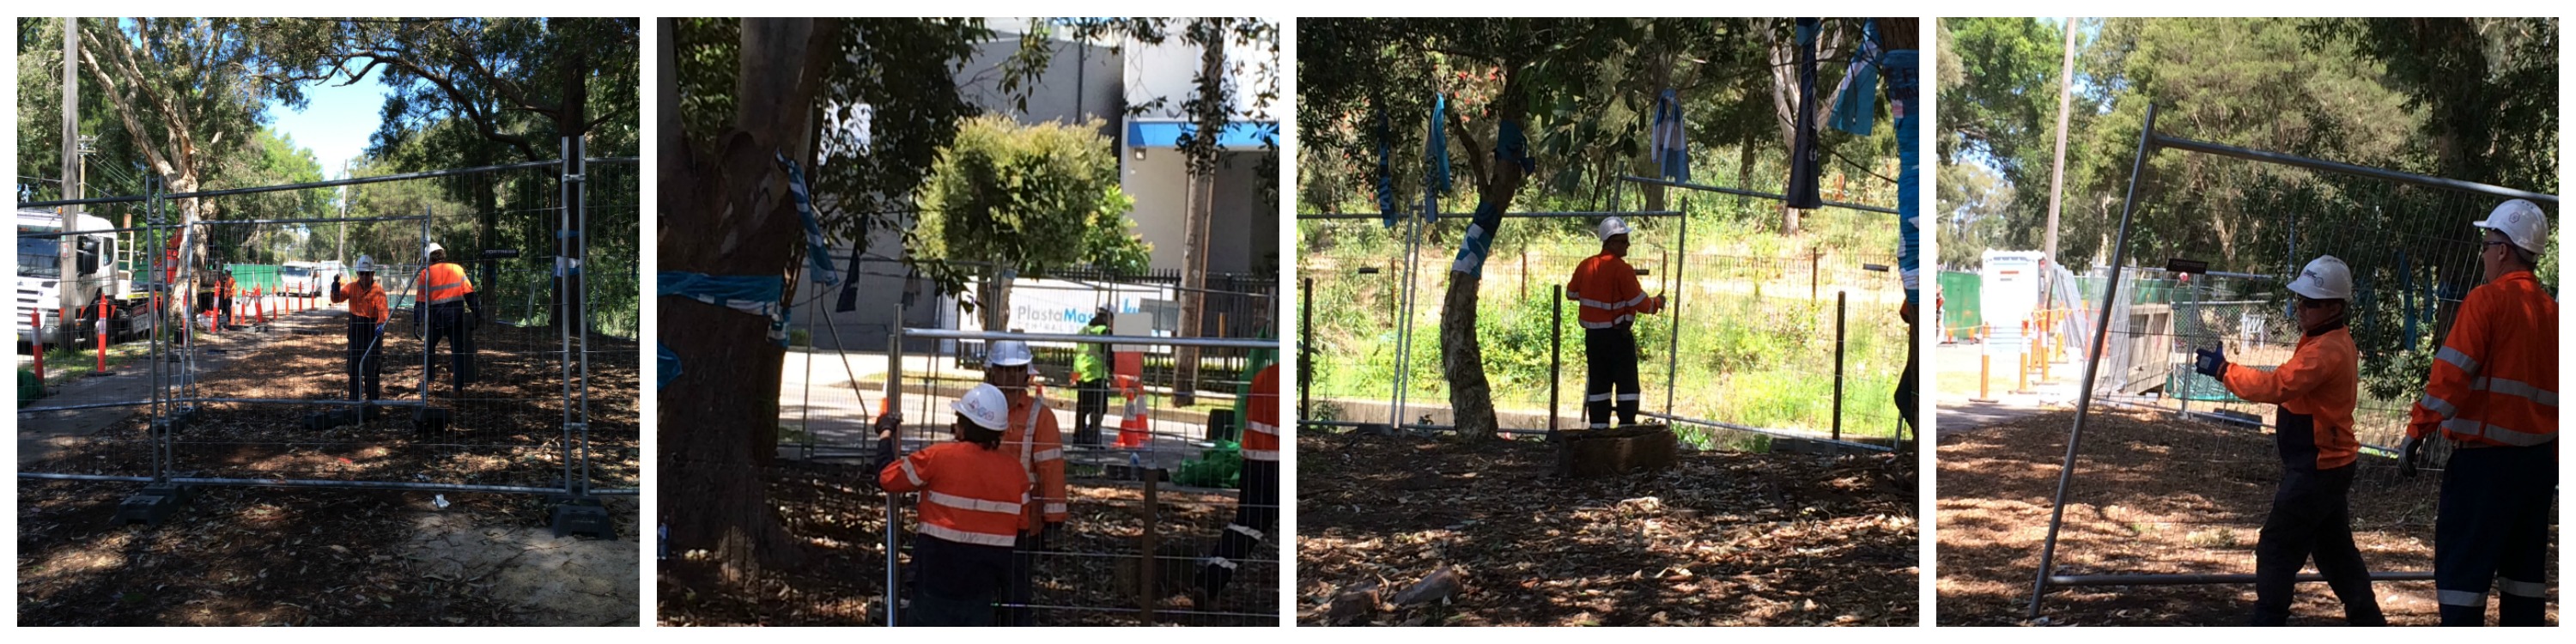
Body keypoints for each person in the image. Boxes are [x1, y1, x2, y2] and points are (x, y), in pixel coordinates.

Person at [2194, 255, 2385, 627]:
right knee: (2335, 554)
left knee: (2277, 548)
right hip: (2328, 464)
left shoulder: (2326, 349)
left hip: (2318, 467)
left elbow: (2277, 386)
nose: (2301, 307)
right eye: (2300, 299)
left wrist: (2223, 370)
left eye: (2310, 302)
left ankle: (2268, 623)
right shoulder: (2327, 338)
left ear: (2335, 307)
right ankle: (2370, 623)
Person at [2402, 198, 2556, 626]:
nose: (2484, 254)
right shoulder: (2555, 314)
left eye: (2486, 246)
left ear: (2503, 250)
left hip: (2484, 467)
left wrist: (2416, 432)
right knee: (2524, 581)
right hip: (2539, 467)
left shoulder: (2486, 302)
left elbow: (2449, 378)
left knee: (2463, 580)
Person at [874, 383, 1031, 627]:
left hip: (937, 575)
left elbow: (886, 477)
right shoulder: (1016, 473)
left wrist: (885, 433)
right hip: (983, 585)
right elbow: (1022, 527)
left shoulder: (938, 458)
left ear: (963, 425)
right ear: (999, 432)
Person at [983, 340, 1066, 625]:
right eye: (1003, 370)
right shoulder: (978, 406)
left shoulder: (1040, 416)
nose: (1009, 377)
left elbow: (1051, 468)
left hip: (1022, 522)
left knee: (1015, 592)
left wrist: (1053, 521)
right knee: (978, 591)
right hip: (979, 517)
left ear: (1026, 374)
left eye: (1016, 370)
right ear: (991, 372)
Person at [1565, 216, 1665, 428]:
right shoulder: (1622, 269)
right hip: (1617, 335)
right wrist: (1658, 303)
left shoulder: (1586, 265)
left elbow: (1571, 293)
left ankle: (1599, 429)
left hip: (1593, 337)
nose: (1628, 244)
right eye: (1623, 240)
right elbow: (1642, 304)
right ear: (1610, 242)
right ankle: (1627, 427)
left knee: (1599, 381)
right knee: (1626, 381)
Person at [1195, 363, 1279, 608]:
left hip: (1254, 461)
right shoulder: (1281, 379)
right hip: (1277, 463)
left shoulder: (1263, 376)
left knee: (1246, 525)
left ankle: (1210, 580)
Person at [416, 242, 483, 392]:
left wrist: (416, 321)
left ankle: (430, 384)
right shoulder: (457, 269)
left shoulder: (425, 274)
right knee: (457, 352)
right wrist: (477, 314)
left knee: (428, 349)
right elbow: (470, 294)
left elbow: (420, 301)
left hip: (435, 319)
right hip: (456, 318)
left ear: (428, 258)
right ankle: (458, 389)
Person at [330, 256, 389, 410]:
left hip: (372, 334)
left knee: (372, 370)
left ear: (373, 274)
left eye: (367, 273)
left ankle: (372, 405)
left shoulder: (379, 292)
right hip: (355, 333)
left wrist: (381, 324)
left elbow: (383, 312)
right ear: (357, 273)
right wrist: (335, 288)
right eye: (361, 273)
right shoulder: (351, 287)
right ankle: (354, 404)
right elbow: (337, 299)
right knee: (354, 369)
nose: (364, 276)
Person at [1073, 307, 1115, 447]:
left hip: (1081, 374)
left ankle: (1078, 437)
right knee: (1099, 409)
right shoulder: (1104, 331)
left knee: (1082, 408)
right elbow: (1109, 355)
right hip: (1097, 375)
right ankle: (1093, 437)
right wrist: (1111, 372)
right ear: (1109, 318)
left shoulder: (1084, 330)